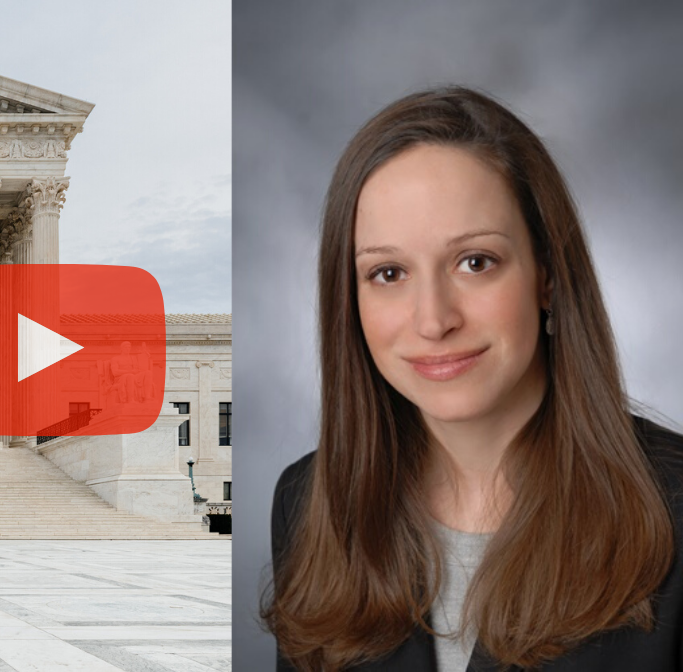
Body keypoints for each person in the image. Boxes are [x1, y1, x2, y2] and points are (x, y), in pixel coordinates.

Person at [260, 87, 683, 671]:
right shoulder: (307, 504)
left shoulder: (677, 511)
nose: (434, 320)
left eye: (475, 262)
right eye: (388, 272)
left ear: (548, 276)